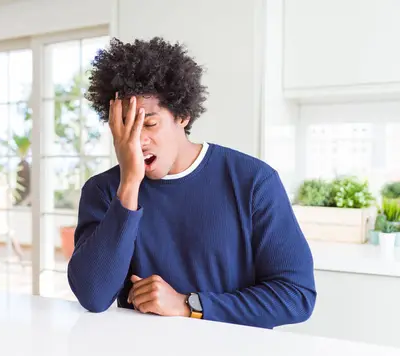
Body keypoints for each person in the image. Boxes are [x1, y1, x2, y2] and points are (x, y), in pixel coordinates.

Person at [67, 37, 316, 329]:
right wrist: (130, 183)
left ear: (182, 116)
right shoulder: (105, 191)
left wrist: (189, 304)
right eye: (125, 126)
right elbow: (93, 296)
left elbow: (296, 296)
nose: (137, 140)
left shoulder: (253, 182)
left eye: (148, 123)